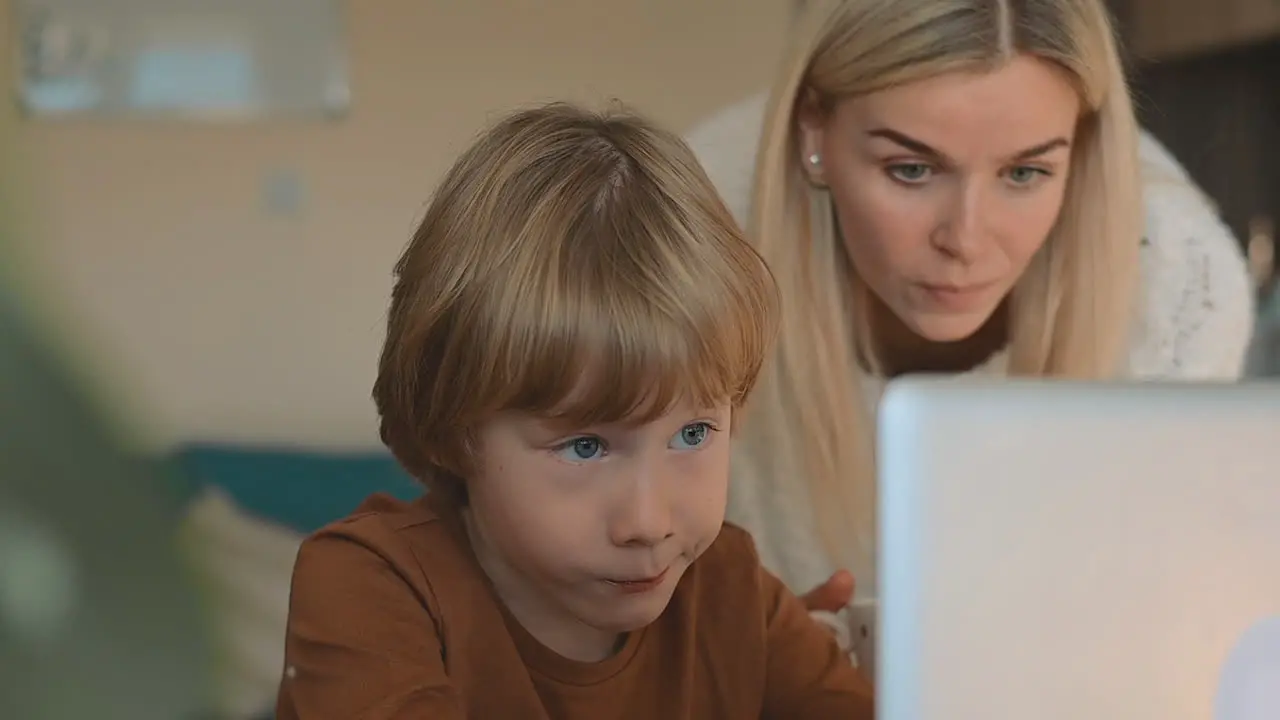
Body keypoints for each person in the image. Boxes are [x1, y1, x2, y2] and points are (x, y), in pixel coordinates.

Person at [275, 102, 875, 718]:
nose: (648, 521)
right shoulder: (369, 585)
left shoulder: (732, 593)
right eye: (585, 446)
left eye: (693, 433)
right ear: (454, 432)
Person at [684, 0, 1255, 626]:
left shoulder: (1176, 282)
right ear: (813, 131)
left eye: (1025, 172)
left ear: (1083, 148)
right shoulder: (699, 243)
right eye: (911, 169)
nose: (966, 239)